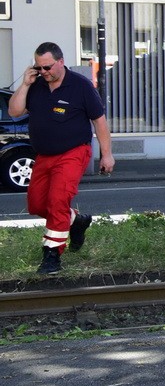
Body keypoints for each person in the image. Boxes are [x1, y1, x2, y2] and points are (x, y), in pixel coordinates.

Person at [9, 42, 114, 275]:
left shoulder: (80, 86)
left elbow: (99, 121)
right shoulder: (34, 84)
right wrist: (25, 84)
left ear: (60, 61)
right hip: (44, 155)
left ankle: (52, 253)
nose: (43, 72)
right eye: (39, 67)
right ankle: (76, 221)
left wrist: (106, 154)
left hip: (73, 152)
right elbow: (14, 112)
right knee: (37, 204)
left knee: (57, 201)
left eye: (47, 67)